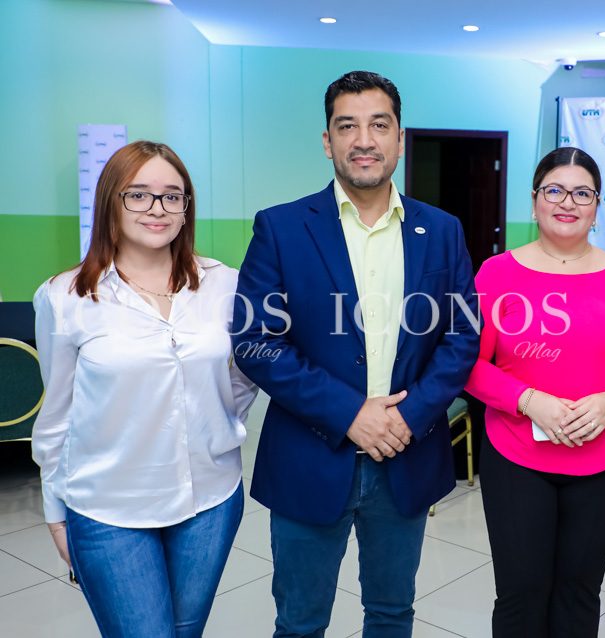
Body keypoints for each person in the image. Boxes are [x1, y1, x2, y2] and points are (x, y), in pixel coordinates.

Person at [232, 70, 480, 638]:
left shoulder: (442, 230)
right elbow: (254, 341)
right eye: (347, 126)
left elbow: (463, 336)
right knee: (300, 622)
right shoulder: (282, 228)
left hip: (405, 456)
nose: (363, 140)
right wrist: (350, 414)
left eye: (379, 125)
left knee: (392, 615)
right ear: (328, 141)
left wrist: (408, 416)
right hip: (309, 458)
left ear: (400, 138)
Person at [31, 140, 257, 638]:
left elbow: (244, 373)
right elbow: (58, 415)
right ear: (110, 202)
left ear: (186, 208)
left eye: (172, 196)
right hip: (108, 508)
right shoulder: (64, 296)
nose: (157, 208)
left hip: (211, 499)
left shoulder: (225, 285)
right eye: (138, 194)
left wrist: (220, 423)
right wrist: (55, 511)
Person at [464, 147, 605, 638]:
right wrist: (529, 401)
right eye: (554, 190)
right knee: (520, 595)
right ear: (534, 201)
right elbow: (467, 365)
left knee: (579, 594)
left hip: (603, 460)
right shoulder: (496, 274)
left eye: (582, 193)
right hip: (516, 458)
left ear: (596, 205)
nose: (567, 202)